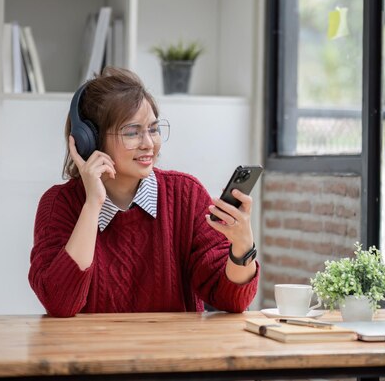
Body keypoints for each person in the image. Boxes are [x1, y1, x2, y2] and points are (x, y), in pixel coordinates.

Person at [29, 67, 259, 317]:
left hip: (172, 354)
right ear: (90, 140)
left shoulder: (185, 194)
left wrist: (242, 247)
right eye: (131, 132)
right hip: (92, 354)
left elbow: (231, 300)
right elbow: (59, 303)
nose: (149, 143)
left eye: (153, 129)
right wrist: (93, 204)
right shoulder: (59, 204)